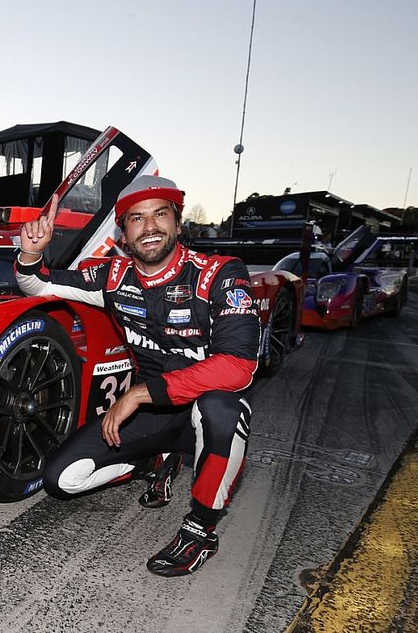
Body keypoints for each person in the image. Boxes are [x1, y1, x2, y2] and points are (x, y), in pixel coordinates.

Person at [15, 176, 259, 577]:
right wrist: (30, 255)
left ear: (178, 224)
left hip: (198, 413)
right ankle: (154, 462)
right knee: (62, 481)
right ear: (124, 235)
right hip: (153, 416)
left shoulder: (220, 273)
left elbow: (238, 365)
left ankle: (200, 532)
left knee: (223, 408)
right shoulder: (112, 277)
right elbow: (37, 284)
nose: (149, 227)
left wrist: (139, 394)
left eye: (160, 214)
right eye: (136, 219)